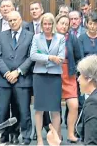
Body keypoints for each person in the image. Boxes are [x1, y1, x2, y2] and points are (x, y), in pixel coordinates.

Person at [0, 11, 33, 145]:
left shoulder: (30, 36)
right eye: (10, 21)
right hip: (3, 80)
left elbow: (30, 57)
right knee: (2, 111)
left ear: (21, 20)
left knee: (23, 111)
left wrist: (18, 72)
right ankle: (1, 137)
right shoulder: (1, 36)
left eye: (15, 20)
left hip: (22, 80)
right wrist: (7, 73)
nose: (13, 22)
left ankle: (25, 137)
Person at [30, 13, 65, 145]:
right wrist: (50, 58)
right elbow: (33, 55)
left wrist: (43, 57)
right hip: (39, 76)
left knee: (55, 109)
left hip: (54, 77)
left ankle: (54, 139)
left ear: (53, 25)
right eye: (45, 24)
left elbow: (60, 58)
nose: (47, 26)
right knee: (39, 109)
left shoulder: (60, 38)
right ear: (41, 25)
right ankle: (39, 138)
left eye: (50, 24)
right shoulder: (36, 37)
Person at [26, 1, 51, 141]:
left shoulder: (48, 26)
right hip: (30, 68)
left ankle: (43, 127)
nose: (34, 11)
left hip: (46, 68)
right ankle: (41, 127)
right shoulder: (26, 27)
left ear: (41, 10)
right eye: (32, 9)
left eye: (36, 8)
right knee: (34, 101)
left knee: (44, 99)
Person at [55, 14, 82, 143]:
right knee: (54, 107)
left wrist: (76, 71)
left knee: (74, 105)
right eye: (62, 23)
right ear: (56, 24)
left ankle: (71, 133)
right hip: (54, 75)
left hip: (69, 74)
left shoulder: (72, 38)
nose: (64, 25)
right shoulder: (50, 37)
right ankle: (58, 134)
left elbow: (79, 57)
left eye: (67, 23)